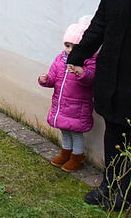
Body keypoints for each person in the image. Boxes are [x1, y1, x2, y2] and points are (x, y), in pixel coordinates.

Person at [67, 0, 131, 211]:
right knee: (113, 131)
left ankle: (126, 191)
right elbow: (101, 22)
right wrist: (79, 55)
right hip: (112, 73)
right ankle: (110, 184)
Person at [38, 18, 96, 172]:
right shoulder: (60, 59)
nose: (70, 50)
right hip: (62, 103)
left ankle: (77, 157)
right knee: (64, 129)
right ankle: (65, 152)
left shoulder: (89, 61)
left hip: (78, 105)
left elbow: (92, 78)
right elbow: (53, 77)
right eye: (67, 45)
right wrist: (45, 79)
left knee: (75, 132)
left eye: (75, 47)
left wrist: (81, 72)